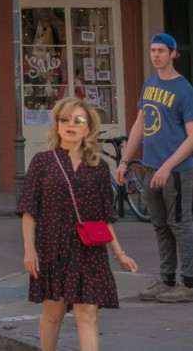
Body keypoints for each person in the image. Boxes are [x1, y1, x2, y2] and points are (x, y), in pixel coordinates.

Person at [18, 98, 138, 351]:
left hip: (88, 250)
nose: (70, 124)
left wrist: (120, 253)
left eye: (78, 120)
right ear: (57, 124)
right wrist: (30, 250)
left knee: (87, 314)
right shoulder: (42, 161)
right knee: (54, 313)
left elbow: (105, 218)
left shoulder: (99, 167)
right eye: (65, 119)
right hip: (53, 248)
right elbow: (28, 210)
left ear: (88, 128)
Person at [116, 32, 193, 303]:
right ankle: (167, 279)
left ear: (174, 54)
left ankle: (189, 284)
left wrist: (167, 166)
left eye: (161, 50)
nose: (156, 55)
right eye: (152, 50)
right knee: (159, 225)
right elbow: (140, 124)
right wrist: (124, 161)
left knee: (181, 225)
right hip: (150, 167)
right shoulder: (149, 84)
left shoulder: (185, 90)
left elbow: (192, 137)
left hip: (177, 170)